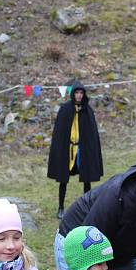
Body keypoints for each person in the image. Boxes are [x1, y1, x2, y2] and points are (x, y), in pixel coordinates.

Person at [47, 81, 103, 219]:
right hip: (68, 150)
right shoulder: (65, 109)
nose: (79, 95)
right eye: (76, 93)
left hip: (82, 150)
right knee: (63, 179)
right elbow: (59, 133)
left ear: (83, 94)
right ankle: (60, 207)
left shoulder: (87, 110)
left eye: (81, 93)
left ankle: (86, 207)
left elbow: (92, 134)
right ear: (73, 94)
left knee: (87, 179)